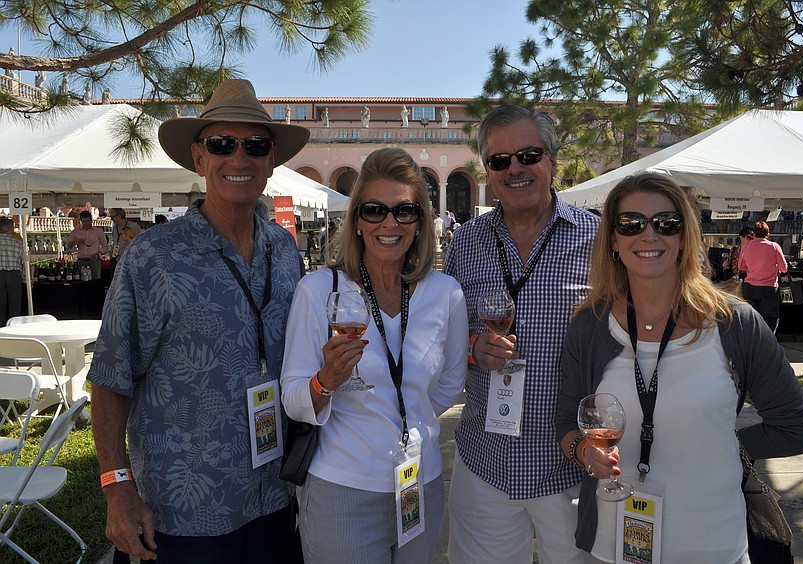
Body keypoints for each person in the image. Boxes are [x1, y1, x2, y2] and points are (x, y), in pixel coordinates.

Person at [87, 78, 311, 562]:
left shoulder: (285, 251)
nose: (239, 158)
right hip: (182, 514)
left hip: (274, 498)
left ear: (271, 161)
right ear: (199, 157)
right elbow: (109, 378)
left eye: (255, 145)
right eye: (221, 144)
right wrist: (116, 487)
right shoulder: (152, 257)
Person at [555, 172, 803, 563]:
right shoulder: (589, 325)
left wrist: (726, 446)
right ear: (612, 239)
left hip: (712, 545)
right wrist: (583, 450)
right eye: (630, 224)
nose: (649, 235)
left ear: (684, 236)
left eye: (666, 223)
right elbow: (565, 421)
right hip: (612, 545)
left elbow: (796, 429)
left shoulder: (734, 323)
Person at [281, 147, 467, 563]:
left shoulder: (445, 293)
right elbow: (294, 398)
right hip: (341, 491)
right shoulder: (319, 292)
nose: (389, 222)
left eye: (404, 210)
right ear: (357, 221)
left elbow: (451, 385)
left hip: (420, 483)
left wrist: (405, 417)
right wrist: (325, 381)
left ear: (420, 221)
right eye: (374, 210)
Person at [443, 104, 599, 564]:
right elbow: (444, 339)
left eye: (528, 155)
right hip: (485, 460)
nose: (515, 168)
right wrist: (473, 348)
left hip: (570, 464)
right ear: (487, 172)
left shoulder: (599, 239)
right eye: (499, 160)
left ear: (552, 160)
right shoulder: (466, 242)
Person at [738, 221, 788, 332]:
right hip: (768, 288)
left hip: (750, 287)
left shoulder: (746, 247)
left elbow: (742, 267)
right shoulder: (774, 246)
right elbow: (784, 268)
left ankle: (753, 343)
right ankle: (768, 343)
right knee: (770, 320)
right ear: (768, 233)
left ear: (754, 233)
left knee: (752, 319)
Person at [65, 210, 108, 280]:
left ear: (91, 221)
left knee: (95, 282)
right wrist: (75, 241)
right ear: (81, 221)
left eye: (88, 221)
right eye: (84, 221)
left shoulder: (98, 231)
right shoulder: (75, 232)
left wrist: (98, 254)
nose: (86, 223)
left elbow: (105, 246)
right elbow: (67, 246)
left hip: (94, 261)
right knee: (81, 284)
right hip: (81, 261)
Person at [0, 217, 24, 326]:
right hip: (14, 275)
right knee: (15, 307)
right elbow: (24, 263)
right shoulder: (18, 243)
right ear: (11, 229)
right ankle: (14, 330)